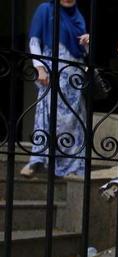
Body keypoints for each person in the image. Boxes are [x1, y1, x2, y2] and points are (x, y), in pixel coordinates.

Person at [22, 0, 90, 178]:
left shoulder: (78, 17)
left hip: (74, 79)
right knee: (48, 114)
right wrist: (39, 67)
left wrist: (87, 42)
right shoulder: (46, 10)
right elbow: (35, 41)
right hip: (52, 74)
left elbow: (84, 52)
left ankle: (73, 168)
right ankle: (38, 160)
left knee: (74, 121)